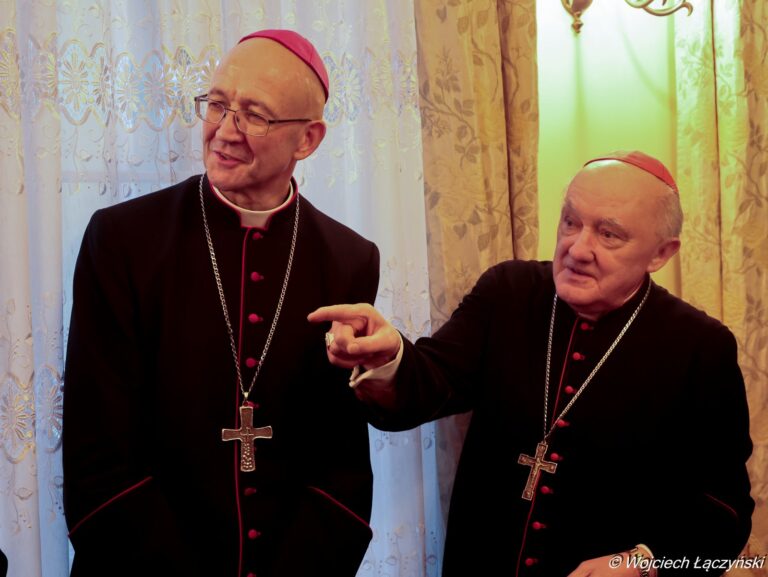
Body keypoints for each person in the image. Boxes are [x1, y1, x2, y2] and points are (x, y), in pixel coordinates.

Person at [309, 151, 754, 577]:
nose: (578, 249)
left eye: (609, 234)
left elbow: (726, 510)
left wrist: (642, 562)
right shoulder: (508, 291)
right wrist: (390, 358)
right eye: (570, 222)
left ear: (661, 253)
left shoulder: (700, 347)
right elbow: (434, 381)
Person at [63, 30, 379, 577]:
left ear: (307, 139)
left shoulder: (349, 259)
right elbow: (98, 463)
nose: (224, 130)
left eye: (254, 114)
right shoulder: (122, 241)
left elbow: (342, 465)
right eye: (217, 104)